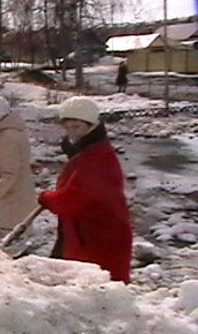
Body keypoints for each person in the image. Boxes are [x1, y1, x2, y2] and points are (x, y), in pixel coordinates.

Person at [38, 96, 132, 283]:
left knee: (98, 292)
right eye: (67, 127)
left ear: (91, 125)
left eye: (77, 127)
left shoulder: (96, 157)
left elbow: (72, 199)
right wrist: (76, 154)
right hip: (88, 232)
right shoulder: (92, 149)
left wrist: (46, 198)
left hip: (98, 237)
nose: (71, 133)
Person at [0, 96, 37, 236]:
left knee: (8, 240)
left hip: (13, 200)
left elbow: (9, 175)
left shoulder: (7, 138)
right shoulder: (12, 133)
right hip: (17, 195)